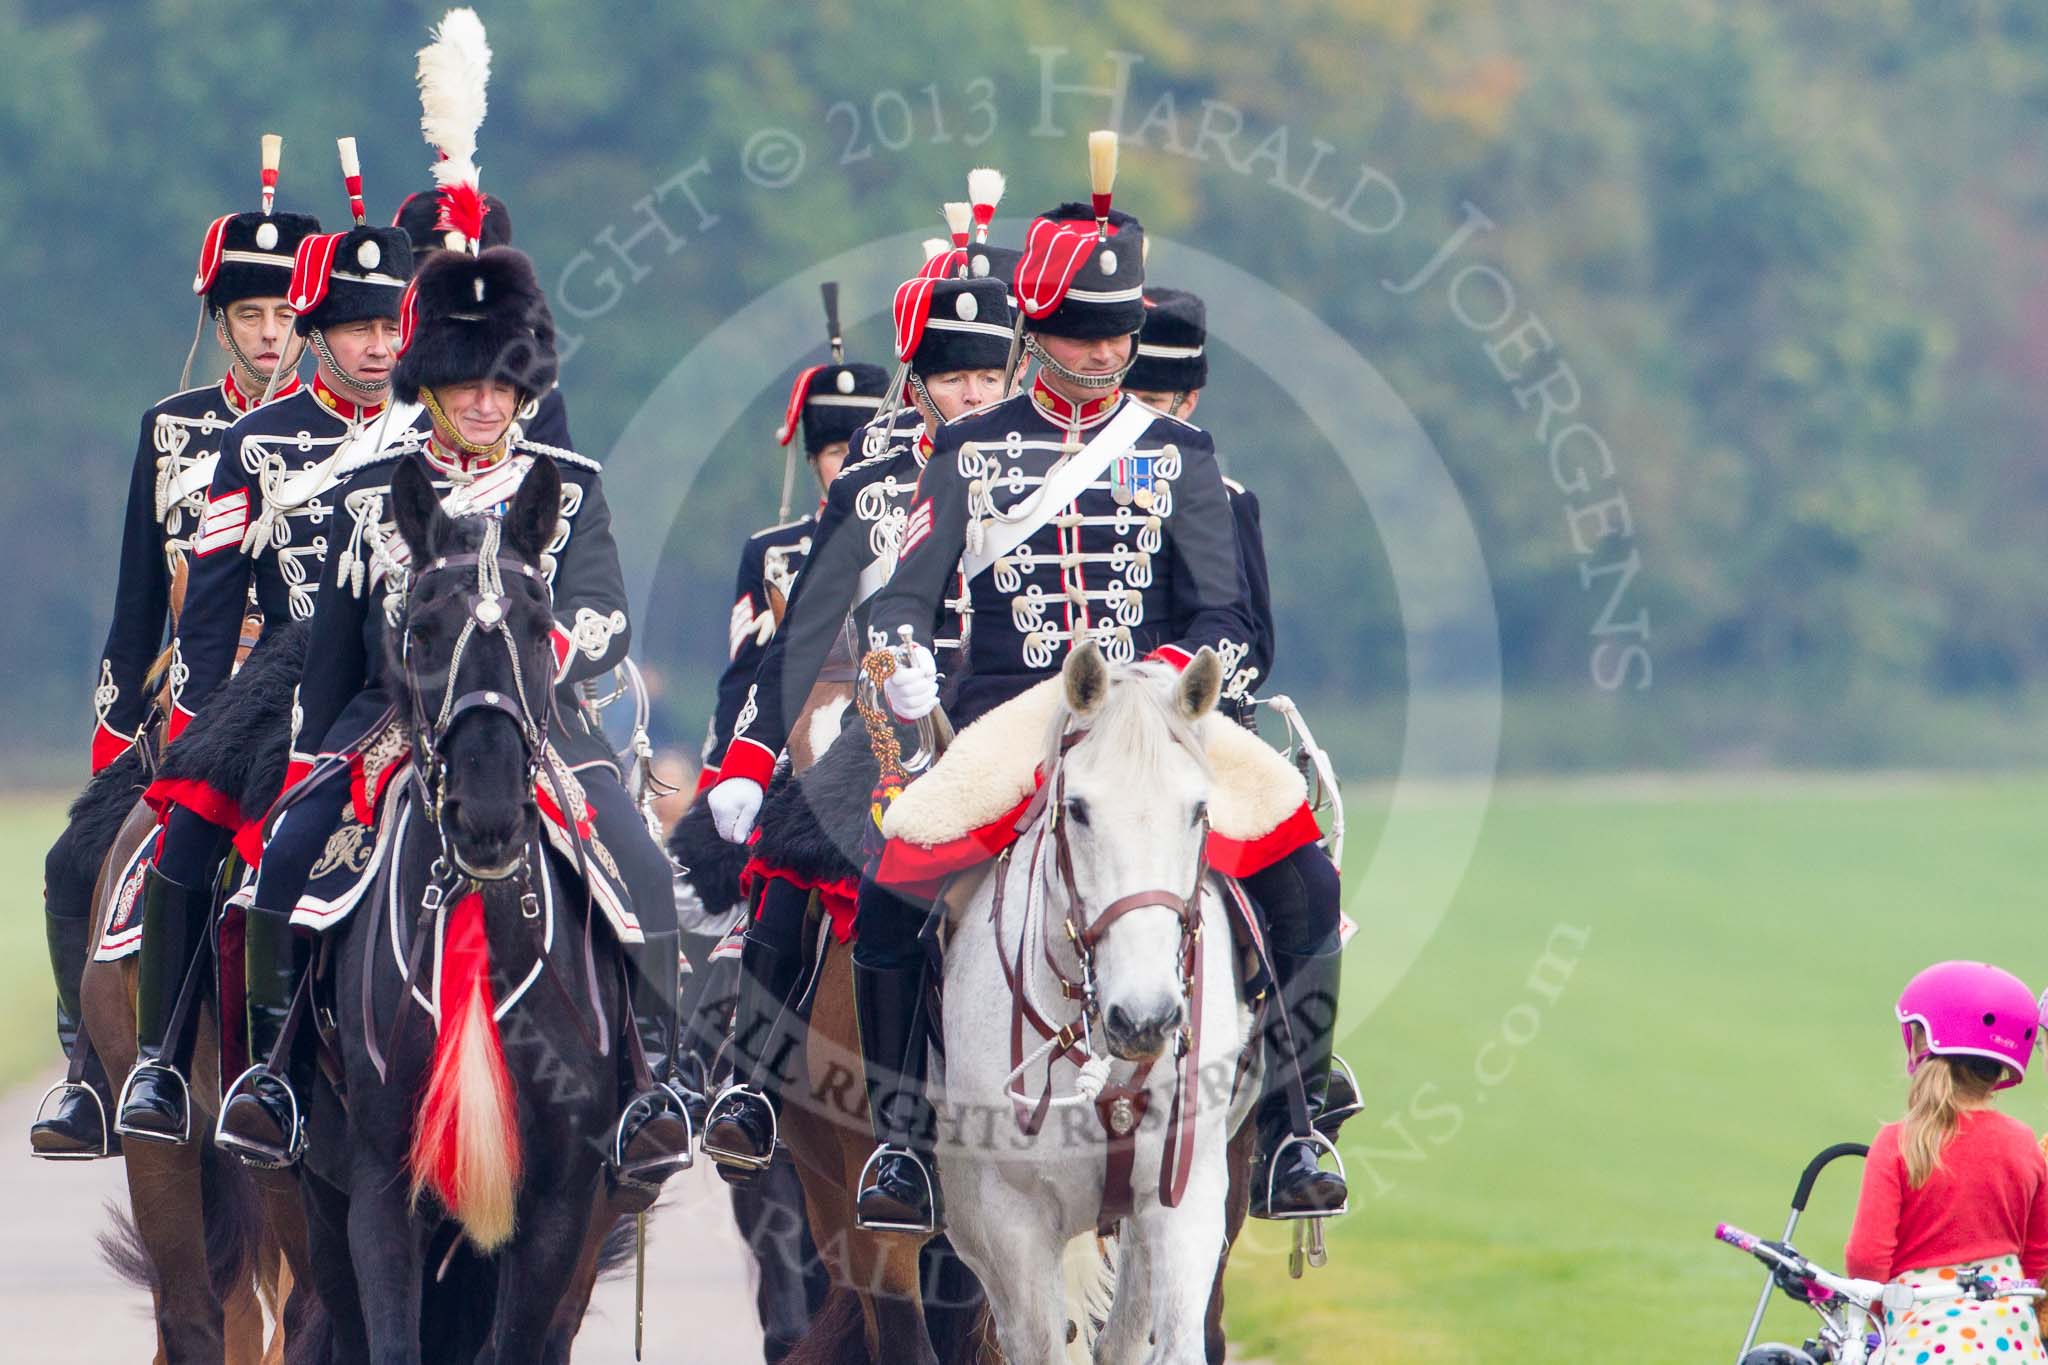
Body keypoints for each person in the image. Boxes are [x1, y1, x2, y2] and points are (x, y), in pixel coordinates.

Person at [851, 140, 1348, 1229]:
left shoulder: (1183, 451)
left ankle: (1296, 1122)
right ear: (1036, 329)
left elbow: (1229, 618)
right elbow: (899, 596)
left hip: (1158, 712)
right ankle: (901, 1147)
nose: (1106, 351)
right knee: (890, 886)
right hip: (1013, 714)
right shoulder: (971, 448)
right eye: (1084, 331)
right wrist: (904, 661)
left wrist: (1169, 688)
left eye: (1119, 331)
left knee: (1304, 871)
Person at [211, 239, 697, 1188]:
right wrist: (311, 761)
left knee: (639, 861)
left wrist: (521, 662)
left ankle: (661, 1083)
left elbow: (601, 618)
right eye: (467, 383)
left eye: (503, 385)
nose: (486, 402)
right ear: (430, 384)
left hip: (539, 721)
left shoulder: (569, 484)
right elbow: (337, 657)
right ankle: (274, 1077)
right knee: (285, 854)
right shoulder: (367, 496)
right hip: (391, 724)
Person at [116, 145, 412, 1144]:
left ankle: (641, 1074)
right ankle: (160, 1065)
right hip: (279, 680)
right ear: (318, 333)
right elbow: (203, 622)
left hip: (416, 683)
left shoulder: (435, 435)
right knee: (188, 827)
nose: (375, 349)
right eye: (355, 327)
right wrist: (199, 727)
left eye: (390, 328)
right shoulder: (252, 445)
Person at [31, 139, 320, 1157]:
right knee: (76, 860)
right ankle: (90, 1074)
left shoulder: (338, 432)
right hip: (186, 701)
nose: (272, 335)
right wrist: (119, 748)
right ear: (220, 321)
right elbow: (133, 607)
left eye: (289, 315)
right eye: (252, 316)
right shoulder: (169, 431)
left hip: (299, 697)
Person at [700, 270, 1015, 1178]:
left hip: (1008, 706)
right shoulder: (871, 483)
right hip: (890, 722)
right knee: (792, 867)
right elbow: (800, 636)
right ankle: (754, 1087)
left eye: (991, 375)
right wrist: (750, 759)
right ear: (917, 380)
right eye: (956, 376)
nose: (975, 394)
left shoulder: (1042, 464)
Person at [694, 284, 888, 798]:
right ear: (811, 462)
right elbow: (745, 678)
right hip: (786, 754)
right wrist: (728, 772)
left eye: (863, 447)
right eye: (834, 450)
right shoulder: (770, 553)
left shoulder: (915, 532)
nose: (849, 463)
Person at [1843, 961, 2048, 1358]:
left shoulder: (1897, 1142)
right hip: (2013, 1341)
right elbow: (2038, 1251)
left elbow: (1866, 1257)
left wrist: (1882, 1309)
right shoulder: (2026, 1143)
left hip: (1922, 1337)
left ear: (1923, 1044)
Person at [1123, 286, 1271, 726]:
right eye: (1124, 397)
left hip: (1177, 716)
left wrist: (1161, 687)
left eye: (1150, 402)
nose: (1132, 416)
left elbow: (1251, 650)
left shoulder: (1225, 499)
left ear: (1187, 403)